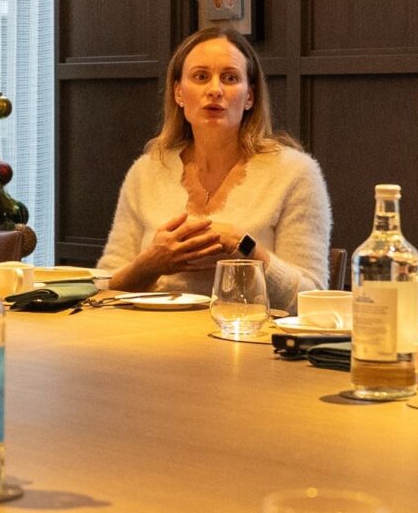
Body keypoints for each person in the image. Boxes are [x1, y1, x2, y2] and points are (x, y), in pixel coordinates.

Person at [96, 28, 331, 311]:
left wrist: (244, 247)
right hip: (150, 341)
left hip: (246, 340)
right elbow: (105, 287)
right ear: (179, 93)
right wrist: (151, 263)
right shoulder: (146, 171)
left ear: (249, 97)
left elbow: (313, 302)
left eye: (230, 78)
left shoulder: (295, 173)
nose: (215, 90)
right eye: (201, 77)